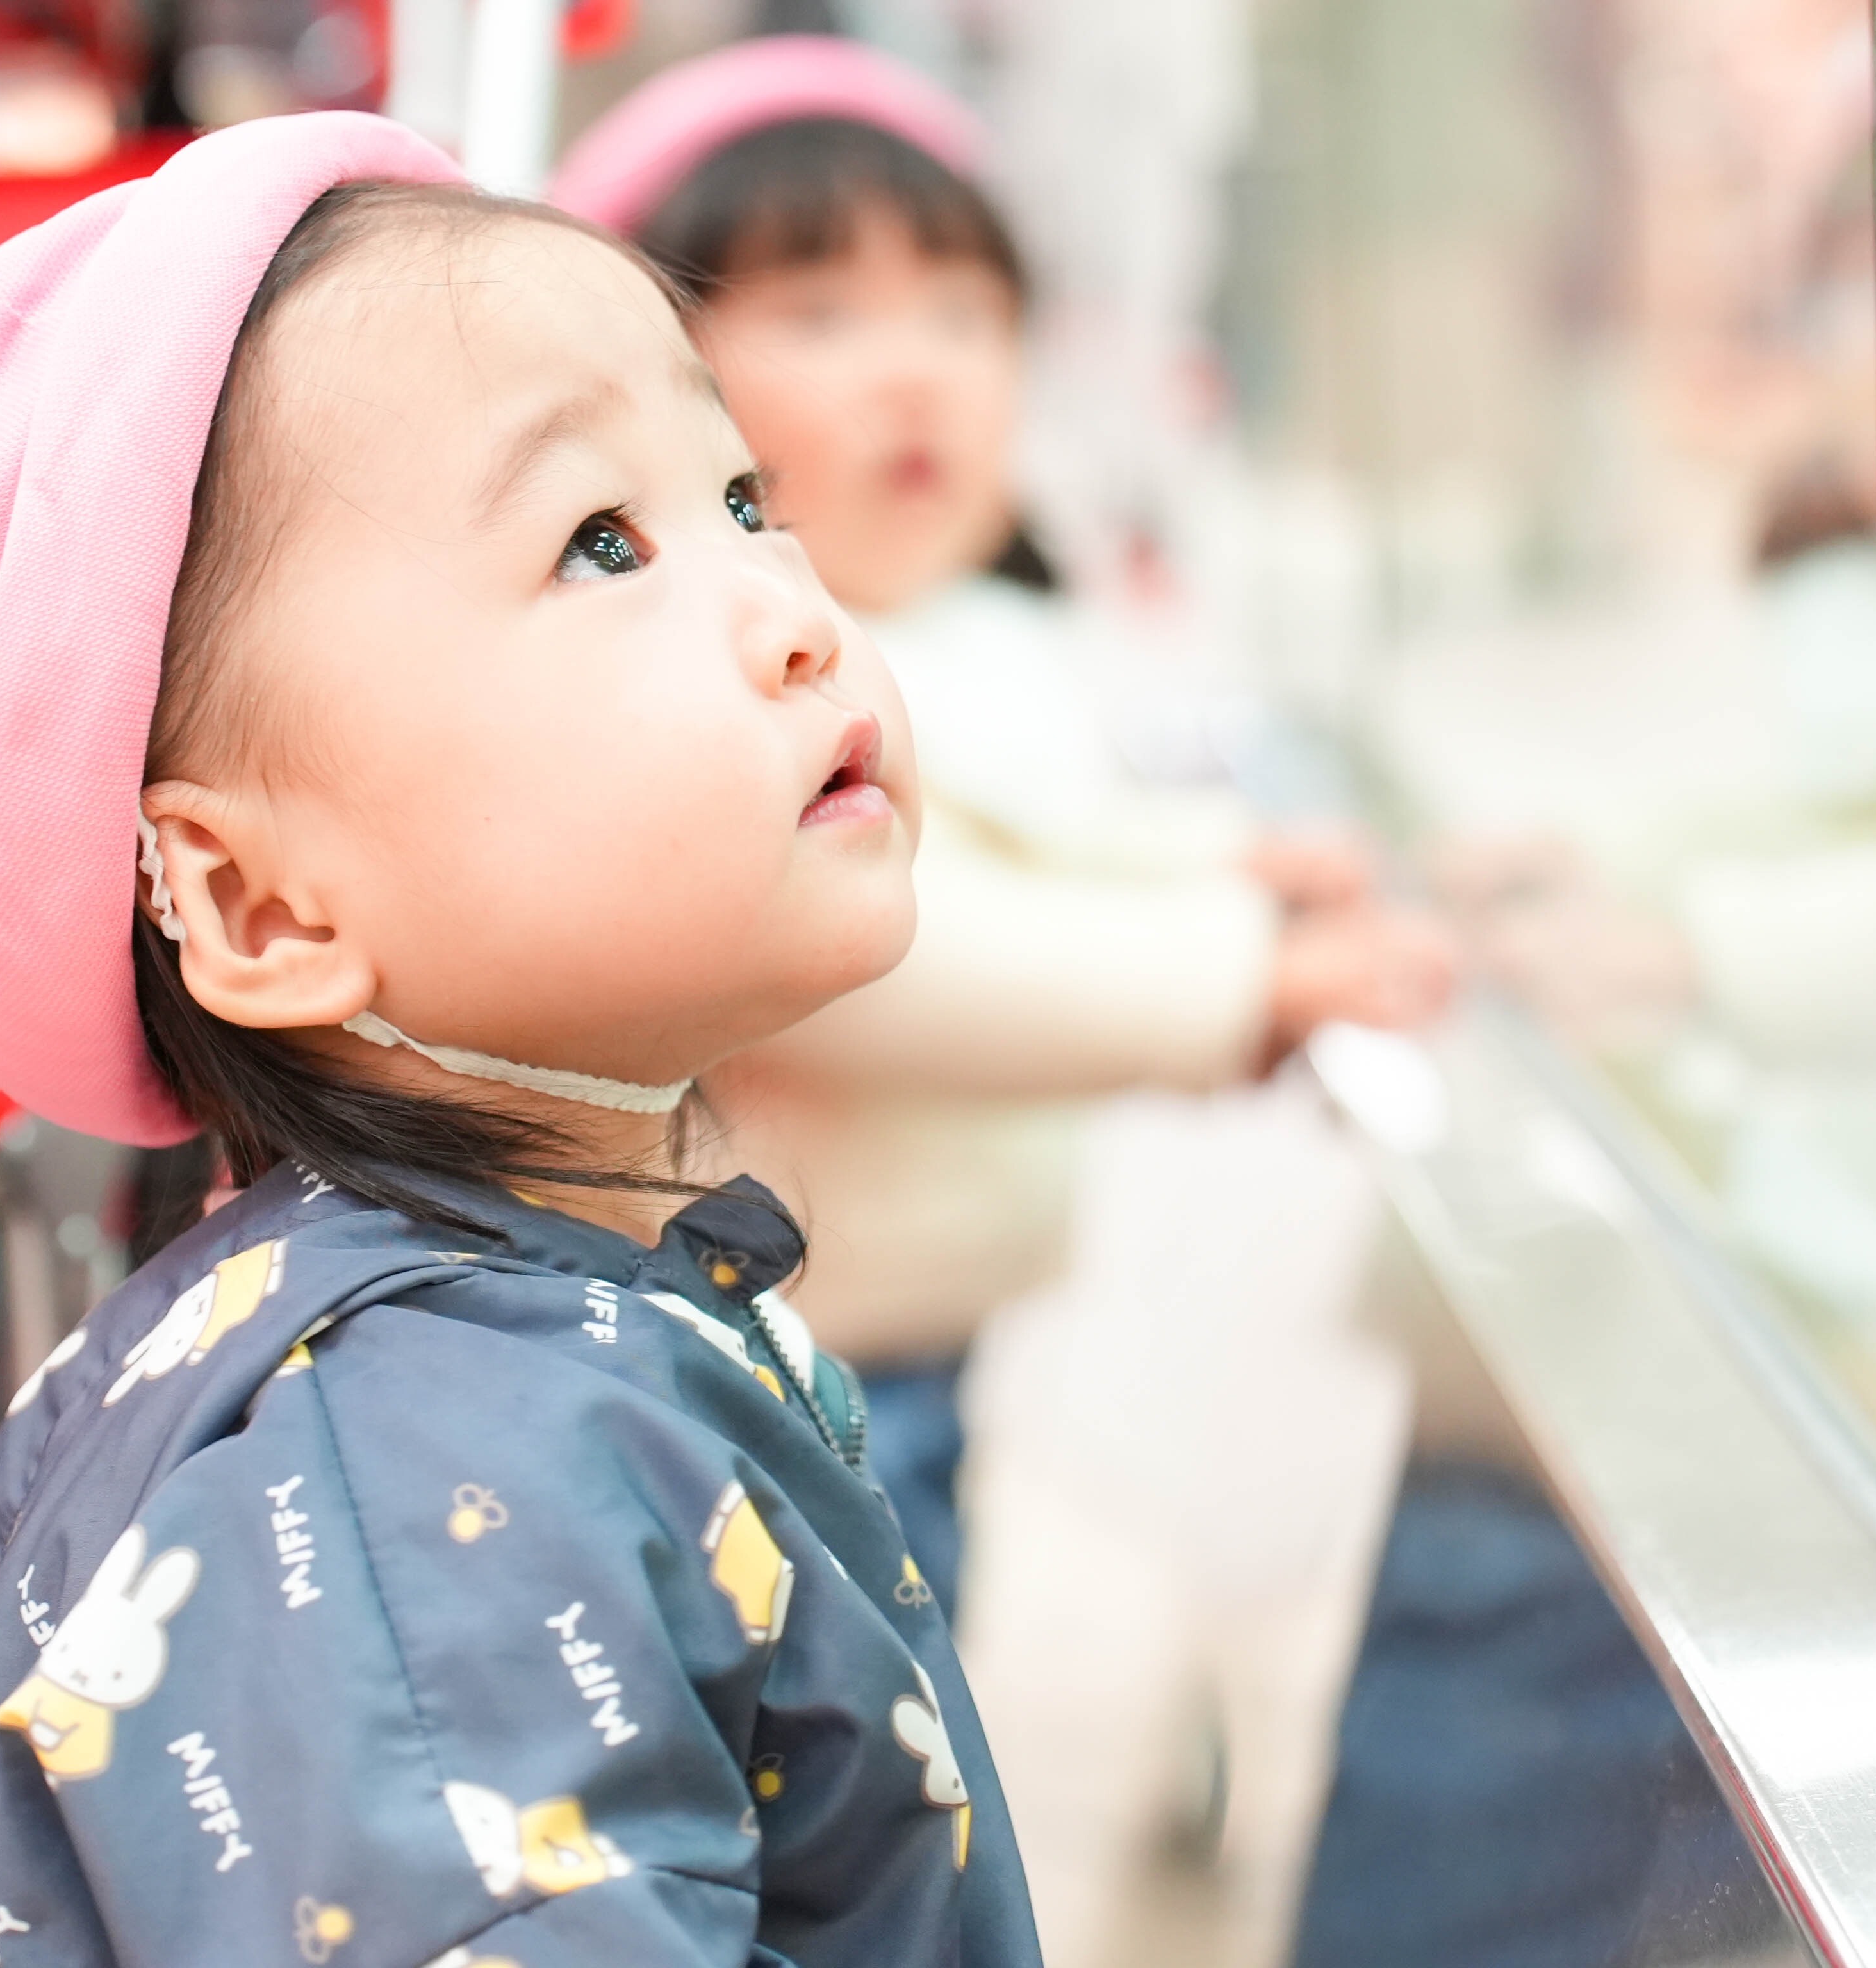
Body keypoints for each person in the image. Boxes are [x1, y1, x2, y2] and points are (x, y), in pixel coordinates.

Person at [0, 113, 1040, 1967]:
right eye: (602, 544)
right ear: (262, 907)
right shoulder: (426, 1505)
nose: (793, 618)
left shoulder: (489, 1347)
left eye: (747, 502)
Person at [550, 37, 1452, 1621]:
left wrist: (1230, 874)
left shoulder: (977, 636)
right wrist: (1247, 975)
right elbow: (867, 958)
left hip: (918, 1344)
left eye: (964, 316)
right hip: (738, 1375)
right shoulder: (698, 673)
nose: (917, 374)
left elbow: (1043, 840)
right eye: (822, 315)